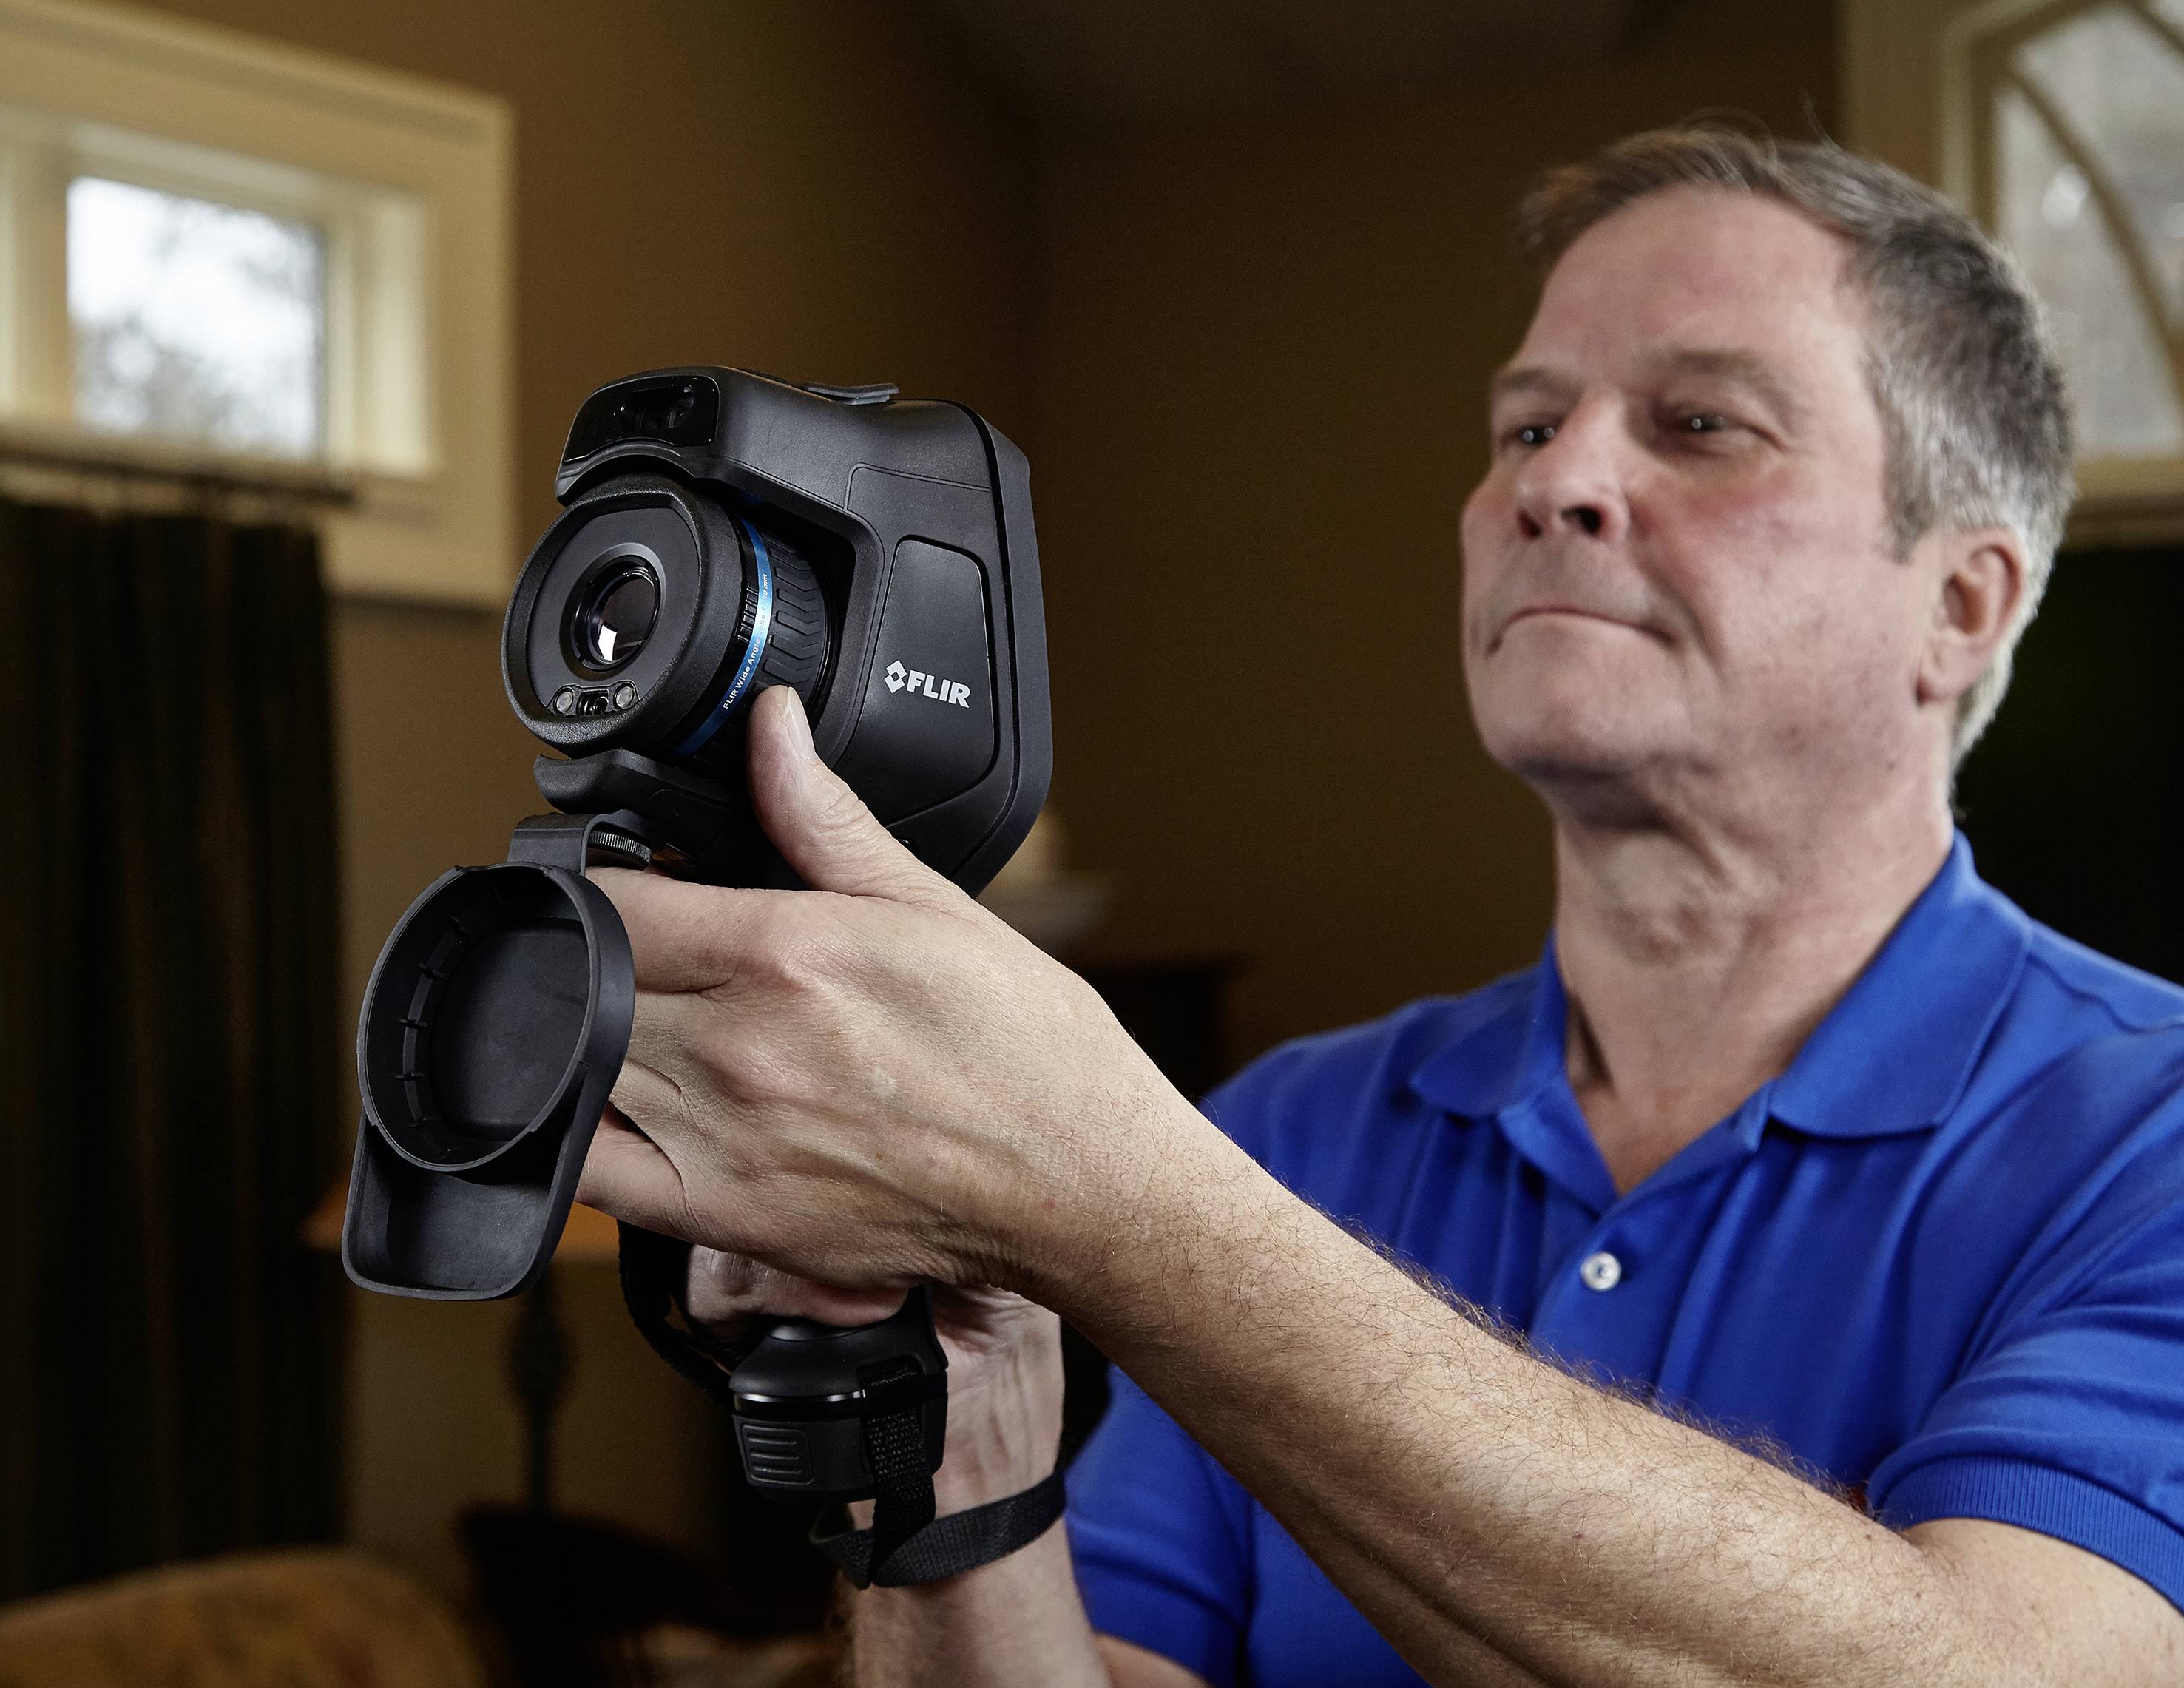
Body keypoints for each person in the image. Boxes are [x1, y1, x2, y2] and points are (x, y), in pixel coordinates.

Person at [575, 128, 2184, 1685]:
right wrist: (950, 1438)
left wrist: (1111, 1202)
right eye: (1525, 428)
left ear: (1960, 605)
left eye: (1697, 423)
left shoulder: (2150, 1132)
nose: (1559, 483)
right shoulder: (1292, 1127)